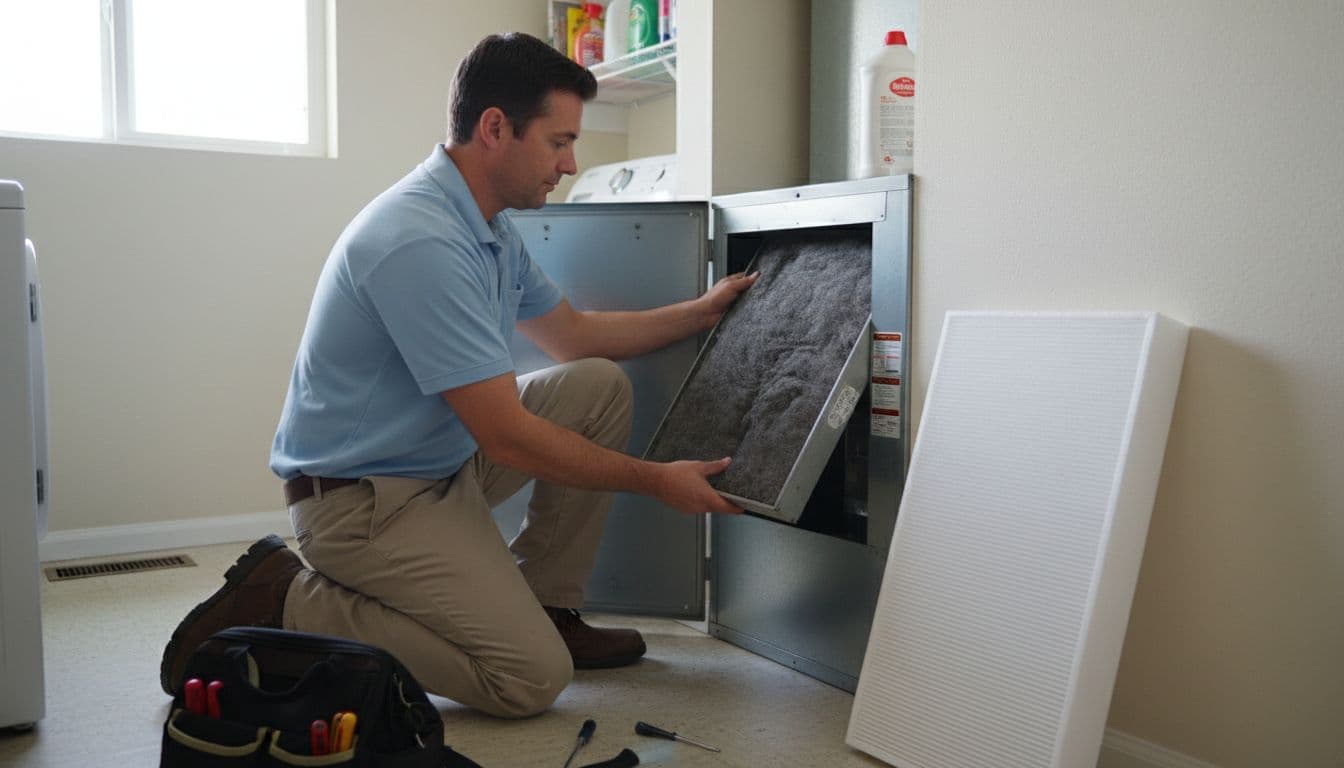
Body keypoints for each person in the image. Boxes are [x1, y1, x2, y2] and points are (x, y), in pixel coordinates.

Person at [158, 32, 755, 718]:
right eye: (558, 142)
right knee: (527, 679)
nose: (570, 163)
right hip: (362, 503)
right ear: (495, 128)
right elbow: (508, 438)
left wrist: (701, 311)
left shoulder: (489, 227)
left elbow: (573, 336)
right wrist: (657, 481)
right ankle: (290, 597)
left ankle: (547, 605)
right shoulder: (421, 240)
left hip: (436, 468)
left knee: (595, 385)